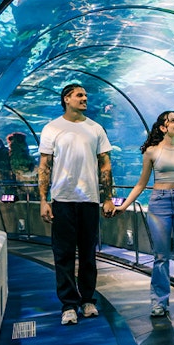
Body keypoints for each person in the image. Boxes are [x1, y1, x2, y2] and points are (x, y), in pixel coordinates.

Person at [114, 111, 174, 317]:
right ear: (162, 127)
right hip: (159, 204)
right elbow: (141, 184)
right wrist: (124, 206)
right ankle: (159, 302)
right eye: (172, 120)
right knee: (160, 256)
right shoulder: (151, 151)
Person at [38, 84, 115, 325]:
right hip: (62, 199)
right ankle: (69, 304)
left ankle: (88, 299)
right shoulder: (52, 128)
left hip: (89, 200)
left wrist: (108, 197)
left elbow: (105, 164)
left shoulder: (95, 128)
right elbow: (44, 165)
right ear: (66, 99)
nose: (84, 98)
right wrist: (43, 200)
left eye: (85, 95)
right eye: (80, 95)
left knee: (88, 254)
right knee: (63, 255)